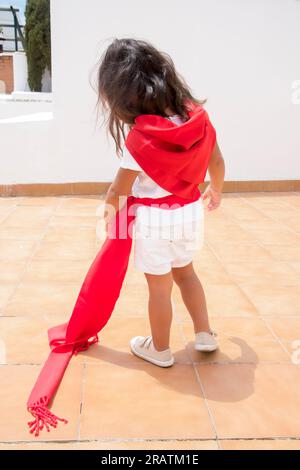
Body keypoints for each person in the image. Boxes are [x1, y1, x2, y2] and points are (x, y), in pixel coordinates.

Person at [97, 38, 225, 368]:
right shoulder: (198, 119)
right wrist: (216, 189)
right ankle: (205, 333)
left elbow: (118, 190)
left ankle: (160, 349)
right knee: (187, 274)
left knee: (159, 289)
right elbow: (218, 162)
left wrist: (110, 222)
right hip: (189, 213)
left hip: (154, 221)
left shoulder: (141, 137)